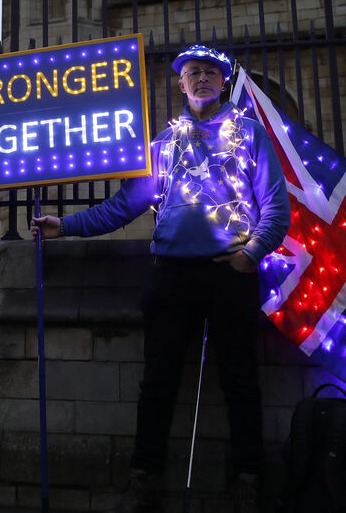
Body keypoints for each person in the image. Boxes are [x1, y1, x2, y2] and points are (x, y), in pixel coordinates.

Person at [31, 44, 291, 513]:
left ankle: (248, 479)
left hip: (229, 274)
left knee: (241, 381)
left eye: (211, 71)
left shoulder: (250, 134)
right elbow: (120, 207)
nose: (202, 78)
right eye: (193, 72)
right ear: (181, 83)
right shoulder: (165, 144)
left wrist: (248, 257)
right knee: (157, 381)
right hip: (170, 274)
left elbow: (276, 209)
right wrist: (64, 226)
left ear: (224, 80)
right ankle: (143, 477)